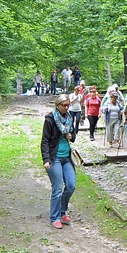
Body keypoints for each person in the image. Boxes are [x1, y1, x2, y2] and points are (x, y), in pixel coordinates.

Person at [40, 95, 76, 229]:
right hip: (54, 158)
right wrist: (46, 159)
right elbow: (44, 141)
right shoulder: (50, 119)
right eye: (64, 105)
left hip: (66, 157)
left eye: (68, 105)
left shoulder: (70, 117)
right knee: (57, 188)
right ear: (57, 105)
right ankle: (54, 217)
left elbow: (73, 134)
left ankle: (62, 212)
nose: (66, 108)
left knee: (71, 185)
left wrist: (71, 136)